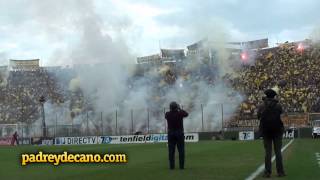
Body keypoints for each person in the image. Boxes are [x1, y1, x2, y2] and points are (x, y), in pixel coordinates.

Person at [257, 89, 285, 178]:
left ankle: (267, 172)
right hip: (277, 131)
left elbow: (258, 117)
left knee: (268, 153)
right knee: (278, 152)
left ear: (266, 95)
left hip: (266, 132)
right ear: (274, 96)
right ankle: (280, 172)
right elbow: (281, 114)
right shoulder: (278, 105)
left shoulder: (261, 106)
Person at [165, 101, 188, 170]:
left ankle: (172, 167)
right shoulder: (180, 113)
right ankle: (181, 166)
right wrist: (180, 108)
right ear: (176, 107)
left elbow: (166, 116)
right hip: (179, 132)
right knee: (181, 150)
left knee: (171, 151)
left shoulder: (167, 114)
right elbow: (186, 114)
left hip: (171, 133)